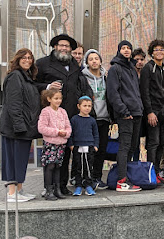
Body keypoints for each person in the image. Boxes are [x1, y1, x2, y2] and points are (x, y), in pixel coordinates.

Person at [35, 34, 86, 195]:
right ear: (55, 47)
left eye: (67, 46)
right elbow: (33, 85)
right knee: (51, 158)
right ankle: (48, 188)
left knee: (66, 153)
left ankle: (62, 186)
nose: (64, 48)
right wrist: (48, 86)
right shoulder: (43, 63)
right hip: (51, 116)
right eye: (61, 45)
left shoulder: (74, 64)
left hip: (69, 115)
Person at [0, 48, 40, 202]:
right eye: (24, 57)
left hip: (24, 127)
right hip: (15, 128)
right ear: (17, 59)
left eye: (30, 58)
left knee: (21, 159)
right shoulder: (15, 76)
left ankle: (19, 190)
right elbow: (13, 104)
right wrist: (19, 126)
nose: (27, 60)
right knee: (12, 159)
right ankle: (11, 193)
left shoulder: (26, 77)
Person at [107, 40, 143, 192]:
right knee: (124, 146)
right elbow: (113, 93)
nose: (127, 50)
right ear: (119, 50)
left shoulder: (132, 69)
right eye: (123, 48)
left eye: (129, 48)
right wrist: (123, 111)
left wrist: (140, 109)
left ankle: (126, 177)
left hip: (137, 113)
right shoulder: (115, 69)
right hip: (125, 114)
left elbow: (136, 92)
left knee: (133, 147)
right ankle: (121, 181)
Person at [140, 39, 164, 184]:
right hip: (153, 111)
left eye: (162, 50)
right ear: (152, 53)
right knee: (153, 143)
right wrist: (149, 112)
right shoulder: (148, 68)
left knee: (162, 143)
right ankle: (151, 173)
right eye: (156, 50)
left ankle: (158, 172)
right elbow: (144, 91)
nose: (159, 52)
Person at [81, 49, 110, 190]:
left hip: (104, 118)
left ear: (100, 61)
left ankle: (97, 177)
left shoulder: (106, 77)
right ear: (87, 62)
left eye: (96, 58)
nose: (94, 61)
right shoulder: (83, 78)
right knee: (89, 150)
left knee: (102, 149)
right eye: (91, 59)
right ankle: (87, 178)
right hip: (89, 118)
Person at [38, 89, 72, 200]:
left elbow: (68, 127)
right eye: (56, 98)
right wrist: (57, 132)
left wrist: (65, 133)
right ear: (49, 99)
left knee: (58, 166)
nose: (58, 101)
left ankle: (57, 190)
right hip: (50, 143)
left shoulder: (63, 111)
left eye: (60, 98)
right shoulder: (45, 112)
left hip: (61, 144)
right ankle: (49, 190)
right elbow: (42, 128)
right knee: (50, 166)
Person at [69, 96, 99, 196]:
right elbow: (70, 133)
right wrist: (71, 145)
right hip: (77, 146)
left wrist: (95, 145)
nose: (87, 108)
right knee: (78, 167)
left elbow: (96, 134)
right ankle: (78, 186)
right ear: (79, 106)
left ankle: (88, 186)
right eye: (84, 105)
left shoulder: (92, 120)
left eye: (89, 106)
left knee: (88, 167)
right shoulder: (74, 119)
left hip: (89, 146)